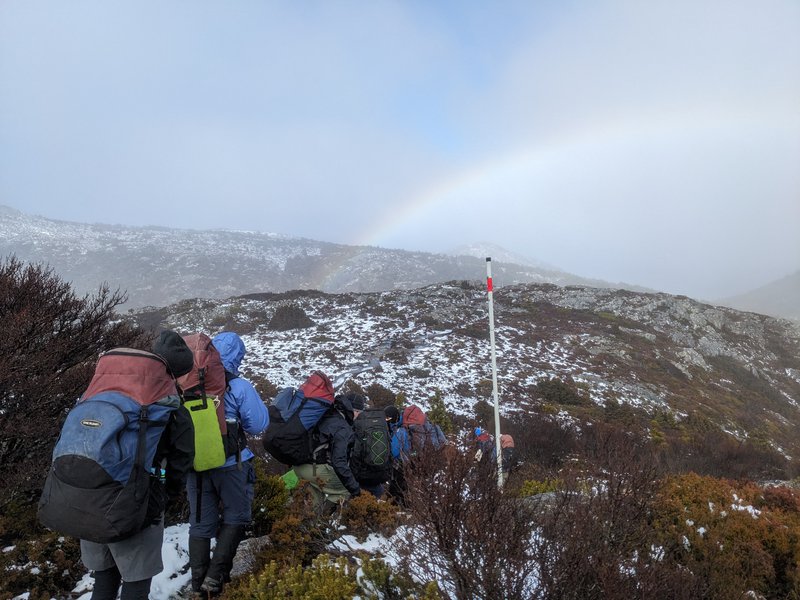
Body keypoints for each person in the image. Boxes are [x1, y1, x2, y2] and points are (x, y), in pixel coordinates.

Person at [80, 330, 195, 600]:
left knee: (104, 580)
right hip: (135, 505)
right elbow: (182, 461)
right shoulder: (170, 408)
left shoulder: (104, 392)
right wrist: (162, 498)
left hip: (91, 498)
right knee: (135, 584)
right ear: (177, 372)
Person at [186, 332, 269, 598]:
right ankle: (216, 577)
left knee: (199, 524)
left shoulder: (186, 383)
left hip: (196, 464)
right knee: (236, 516)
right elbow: (258, 425)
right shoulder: (238, 386)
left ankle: (198, 583)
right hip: (232, 464)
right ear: (238, 357)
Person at [294, 393, 361, 514]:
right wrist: (355, 488)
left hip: (299, 466)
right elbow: (339, 462)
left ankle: (309, 526)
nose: (358, 416)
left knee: (315, 500)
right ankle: (326, 521)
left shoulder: (325, 414)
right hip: (315, 469)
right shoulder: (343, 427)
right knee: (345, 490)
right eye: (358, 412)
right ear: (353, 410)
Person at [348, 393, 392, 499]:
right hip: (377, 475)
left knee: (355, 505)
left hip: (358, 476)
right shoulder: (376, 424)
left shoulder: (354, 426)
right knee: (372, 505)